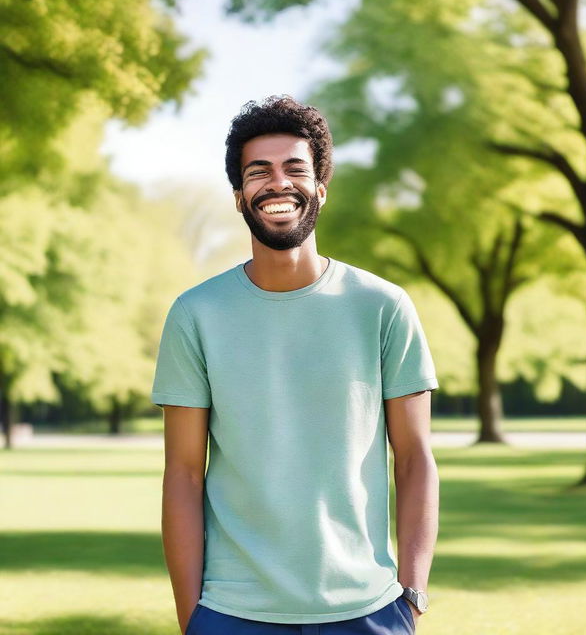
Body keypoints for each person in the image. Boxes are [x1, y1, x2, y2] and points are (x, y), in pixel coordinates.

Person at [151, 95, 439, 635]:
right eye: (258, 172)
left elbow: (415, 459)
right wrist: (193, 620)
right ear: (239, 197)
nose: (277, 183)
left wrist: (412, 597)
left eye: (294, 169)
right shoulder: (196, 314)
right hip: (232, 613)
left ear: (320, 189)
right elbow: (184, 476)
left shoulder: (383, 307)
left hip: (369, 612)